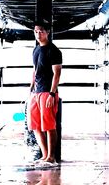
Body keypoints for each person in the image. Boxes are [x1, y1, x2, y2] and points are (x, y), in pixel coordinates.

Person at [27, 21, 62, 165]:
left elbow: (57, 74)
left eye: (41, 31)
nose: (38, 34)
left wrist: (52, 94)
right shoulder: (36, 50)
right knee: (35, 125)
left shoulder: (53, 50)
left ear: (47, 32)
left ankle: (52, 157)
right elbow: (35, 70)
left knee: (49, 125)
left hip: (48, 92)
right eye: (36, 31)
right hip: (36, 93)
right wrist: (31, 88)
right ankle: (44, 155)